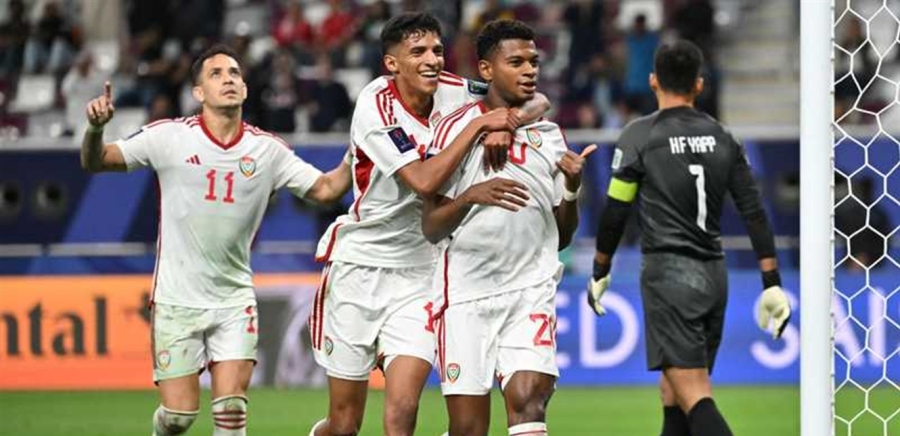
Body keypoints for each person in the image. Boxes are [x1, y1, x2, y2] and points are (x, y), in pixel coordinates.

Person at [80, 44, 352, 436]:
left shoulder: (267, 150)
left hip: (234, 300)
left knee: (231, 409)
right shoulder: (169, 137)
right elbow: (96, 160)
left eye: (235, 73)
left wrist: (358, 151)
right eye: (216, 74)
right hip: (176, 299)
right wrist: (95, 129)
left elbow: (326, 189)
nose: (228, 79)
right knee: (178, 417)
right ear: (198, 92)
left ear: (245, 89)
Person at [307, 12, 549, 436]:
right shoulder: (375, 105)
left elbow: (534, 98)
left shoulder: (456, 90)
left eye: (437, 50)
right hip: (360, 267)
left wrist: (508, 124)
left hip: (422, 272)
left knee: (403, 408)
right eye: (417, 52)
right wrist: (481, 125)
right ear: (392, 63)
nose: (432, 59)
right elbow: (423, 181)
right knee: (344, 424)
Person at [586, 40, 792, 436]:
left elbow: (616, 210)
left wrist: (600, 267)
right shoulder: (723, 137)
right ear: (698, 84)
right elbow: (754, 212)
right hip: (714, 275)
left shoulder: (640, 135)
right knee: (673, 393)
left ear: (653, 81)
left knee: (694, 394)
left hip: (669, 275)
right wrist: (771, 281)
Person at [421, 19, 594, 436]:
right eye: (516, 62)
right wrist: (470, 197)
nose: (530, 70)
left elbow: (562, 236)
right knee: (468, 428)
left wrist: (572, 189)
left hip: (530, 288)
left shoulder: (549, 135)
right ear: (486, 69)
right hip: (466, 293)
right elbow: (431, 227)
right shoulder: (453, 129)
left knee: (529, 402)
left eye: (533, 61)